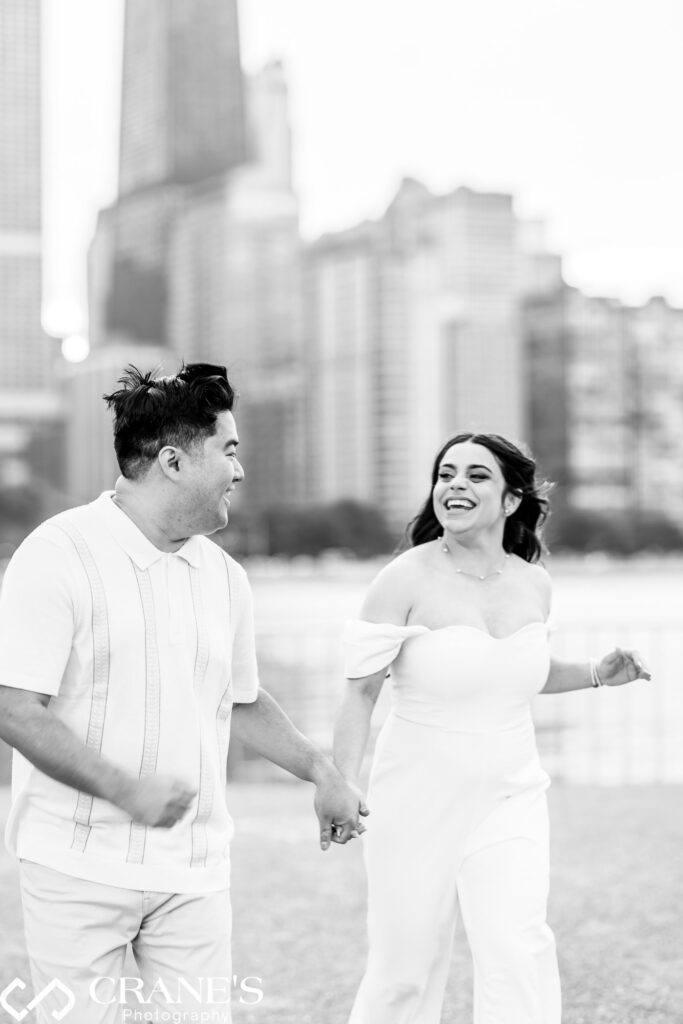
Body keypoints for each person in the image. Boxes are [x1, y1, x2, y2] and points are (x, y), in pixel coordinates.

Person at [0, 363, 365, 1024]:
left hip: (194, 874)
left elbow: (242, 700)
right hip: (76, 868)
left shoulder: (224, 577)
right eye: (228, 449)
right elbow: (15, 709)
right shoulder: (56, 554)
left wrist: (320, 770)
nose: (240, 469)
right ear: (171, 460)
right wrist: (123, 787)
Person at [333, 432, 650, 1024]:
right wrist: (342, 782)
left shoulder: (534, 582)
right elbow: (361, 690)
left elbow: (513, 673)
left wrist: (597, 674)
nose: (455, 485)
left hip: (511, 794)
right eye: (446, 473)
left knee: (517, 949)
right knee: (405, 970)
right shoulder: (403, 579)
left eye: (477, 476)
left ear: (511, 500)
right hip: (414, 800)